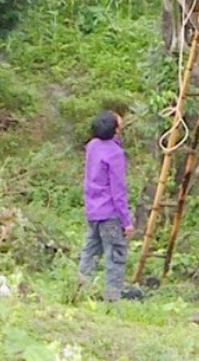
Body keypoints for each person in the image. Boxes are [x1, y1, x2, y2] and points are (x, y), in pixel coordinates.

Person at [78, 110, 135, 302]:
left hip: (92, 210)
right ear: (115, 129)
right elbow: (118, 190)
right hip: (109, 213)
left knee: (90, 251)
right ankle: (112, 296)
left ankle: (80, 289)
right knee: (115, 254)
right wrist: (126, 221)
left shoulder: (92, 146)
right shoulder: (115, 153)